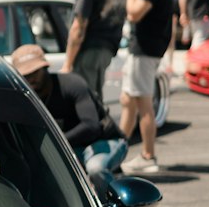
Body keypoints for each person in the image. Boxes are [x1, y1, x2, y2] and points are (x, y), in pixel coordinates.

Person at [11, 44, 127, 178]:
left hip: (103, 141)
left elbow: (91, 125)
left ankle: (107, 198)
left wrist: (56, 143)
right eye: (26, 75)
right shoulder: (23, 97)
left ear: (45, 68)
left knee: (96, 169)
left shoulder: (72, 84)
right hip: (71, 148)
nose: (31, 78)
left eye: (35, 72)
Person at [120, 0, 176, 173]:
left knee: (142, 102)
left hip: (145, 49)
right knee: (128, 100)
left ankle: (148, 155)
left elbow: (133, 13)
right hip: (146, 48)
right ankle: (120, 151)